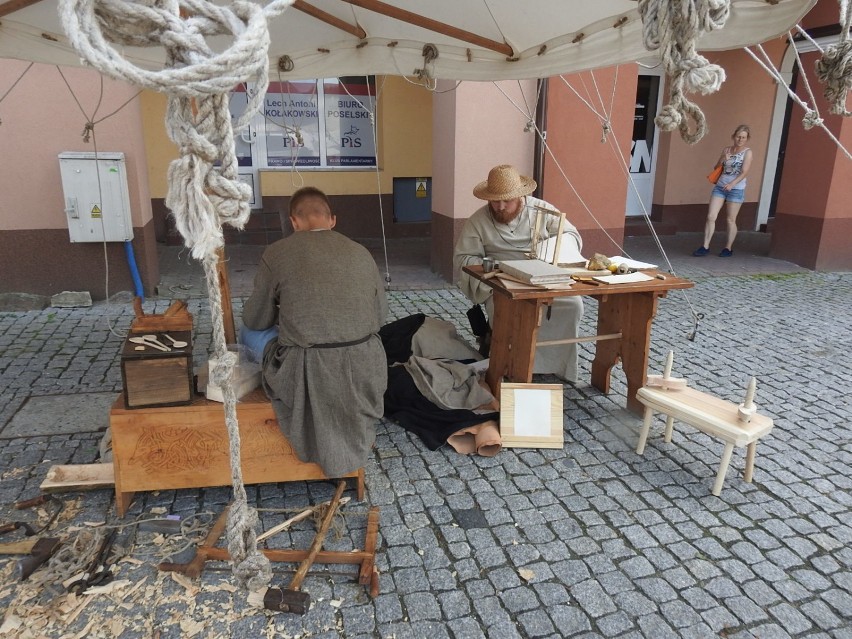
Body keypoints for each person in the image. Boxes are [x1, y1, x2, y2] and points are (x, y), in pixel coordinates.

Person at [240, 186, 388, 477]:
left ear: (293, 222)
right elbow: (380, 316)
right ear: (332, 220)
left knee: (247, 330)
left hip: (306, 367)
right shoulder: (361, 252)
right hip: (365, 365)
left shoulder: (278, 252)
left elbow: (257, 319)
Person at [453, 164, 584, 382]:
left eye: (507, 200)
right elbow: (463, 259)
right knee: (506, 307)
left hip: (543, 279)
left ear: (521, 195)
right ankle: (508, 363)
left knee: (572, 304)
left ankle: (555, 364)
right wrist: (498, 268)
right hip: (502, 282)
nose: (500, 206)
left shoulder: (542, 211)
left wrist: (550, 251)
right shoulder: (478, 220)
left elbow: (570, 234)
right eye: (495, 200)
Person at [693, 124, 753, 258]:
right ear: (733, 136)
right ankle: (705, 246)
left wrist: (732, 184)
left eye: (743, 137)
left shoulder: (748, 152)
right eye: (738, 137)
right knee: (711, 216)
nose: (740, 139)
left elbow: (745, 172)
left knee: (731, 219)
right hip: (720, 187)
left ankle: (728, 248)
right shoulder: (727, 150)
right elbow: (716, 167)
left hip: (736, 189)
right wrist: (722, 160)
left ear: (747, 139)